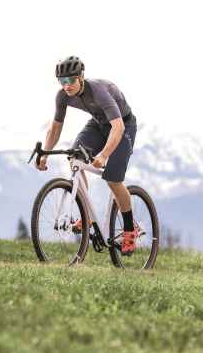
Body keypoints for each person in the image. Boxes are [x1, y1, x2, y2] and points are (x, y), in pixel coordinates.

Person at [35, 56, 139, 254]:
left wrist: (104, 155)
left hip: (123, 125)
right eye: (62, 81)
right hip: (99, 124)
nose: (67, 86)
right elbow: (55, 129)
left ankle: (129, 230)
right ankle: (87, 216)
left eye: (70, 80)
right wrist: (45, 154)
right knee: (75, 159)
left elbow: (118, 127)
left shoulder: (99, 92)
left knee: (113, 180)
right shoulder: (62, 96)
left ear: (81, 77)